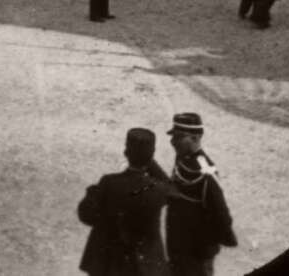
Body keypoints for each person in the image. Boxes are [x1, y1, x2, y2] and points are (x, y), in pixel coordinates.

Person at [78, 128, 171, 276]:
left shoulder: (109, 183)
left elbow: (86, 215)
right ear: (151, 155)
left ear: (126, 153)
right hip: (145, 267)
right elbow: (171, 187)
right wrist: (148, 159)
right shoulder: (158, 189)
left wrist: (92, 191)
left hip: (111, 265)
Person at [165, 113, 237, 275]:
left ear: (196, 138)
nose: (173, 142)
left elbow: (221, 213)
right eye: (173, 136)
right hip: (178, 248)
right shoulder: (183, 157)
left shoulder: (205, 171)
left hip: (197, 254)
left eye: (179, 137)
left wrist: (209, 245)